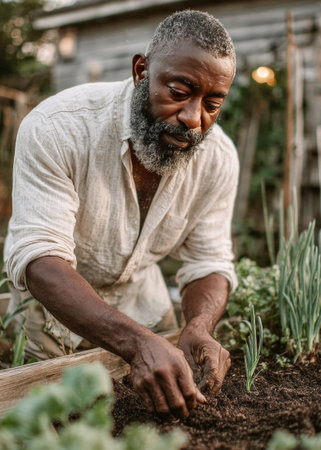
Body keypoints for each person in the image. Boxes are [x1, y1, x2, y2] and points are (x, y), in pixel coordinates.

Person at [4, 10, 238, 418]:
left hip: (149, 316)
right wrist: (136, 344)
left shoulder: (218, 159)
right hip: (52, 329)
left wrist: (197, 327)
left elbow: (208, 261)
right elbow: (40, 258)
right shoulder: (57, 128)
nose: (193, 119)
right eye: (179, 91)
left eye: (212, 104)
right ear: (141, 70)